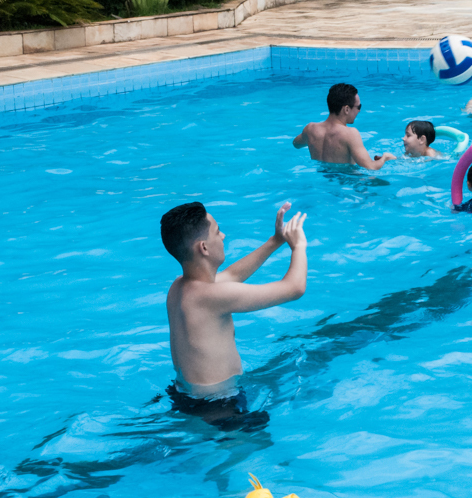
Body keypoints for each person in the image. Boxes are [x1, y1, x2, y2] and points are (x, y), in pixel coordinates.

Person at [161, 201, 307, 428]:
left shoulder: (179, 288)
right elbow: (294, 288)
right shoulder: (213, 296)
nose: (223, 235)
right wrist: (299, 247)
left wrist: (275, 241)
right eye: (217, 231)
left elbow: (231, 276)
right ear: (204, 248)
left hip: (182, 395)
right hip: (219, 407)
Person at [294, 83, 397, 169]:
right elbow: (371, 167)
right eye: (358, 107)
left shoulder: (310, 129)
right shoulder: (350, 134)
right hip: (345, 183)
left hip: (320, 178)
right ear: (346, 109)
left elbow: (296, 144)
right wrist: (385, 158)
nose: (359, 110)